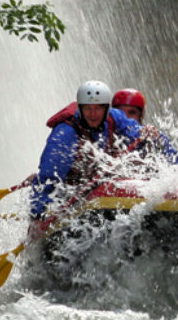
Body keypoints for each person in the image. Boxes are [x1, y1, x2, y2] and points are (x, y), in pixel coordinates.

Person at [29, 80, 145, 238]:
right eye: (88, 108)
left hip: (97, 187)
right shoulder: (66, 134)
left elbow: (143, 135)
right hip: (68, 196)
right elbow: (49, 178)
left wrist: (153, 138)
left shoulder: (114, 118)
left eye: (98, 108)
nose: (93, 114)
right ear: (80, 109)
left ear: (106, 109)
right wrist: (36, 217)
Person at [111, 88, 178, 164]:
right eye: (120, 113)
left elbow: (174, 163)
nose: (125, 118)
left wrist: (158, 142)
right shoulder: (104, 137)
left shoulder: (152, 136)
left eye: (132, 112)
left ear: (142, 115)